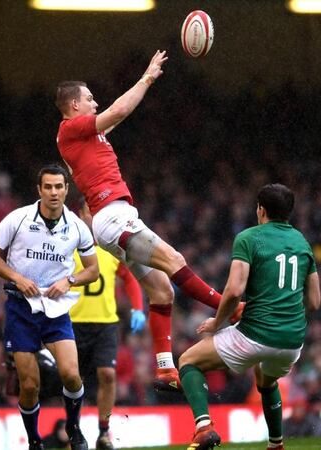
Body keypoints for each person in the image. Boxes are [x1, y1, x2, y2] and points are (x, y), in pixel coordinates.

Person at [55, 51, 241, 392]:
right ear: (73, 106)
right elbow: (118, 110)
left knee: (161, 289)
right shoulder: (70, 129)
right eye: (89, 99)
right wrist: (147, 77)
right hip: (112, 216)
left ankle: (165, 369)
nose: (95, 103)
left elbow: (116, 117)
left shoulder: (85, 136)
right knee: (176, 261)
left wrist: (144, 87)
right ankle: (232, 309)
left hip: (114, 218)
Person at [176, 184, 321, 450]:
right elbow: (314, 301)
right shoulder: (303, 242)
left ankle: (204, 427)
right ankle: (276, 444)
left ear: (260, 209)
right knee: (266, 379)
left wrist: (216, 324)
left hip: (256, 334)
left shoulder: (249, 238)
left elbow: (233, 291)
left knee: (188, 361)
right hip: (292, 342)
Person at [0, 164, 100, 450]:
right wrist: (17, 278)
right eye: (48, 187)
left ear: (66, 190)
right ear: (39, 190)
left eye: (59, 187)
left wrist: (70, 280)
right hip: (21, 309)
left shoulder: (77, 227)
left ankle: (73, 426)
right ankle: (34, 440)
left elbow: (93, 270)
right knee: (29, 385)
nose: (54, 192)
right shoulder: (18, 219)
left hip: (56, 309)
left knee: (71, 374)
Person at [69, 201, 145, 450]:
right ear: (81, 215)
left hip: (106, 324)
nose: (95, 216)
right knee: (72, 380)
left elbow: (130, 278)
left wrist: (137, 308)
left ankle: (103, 432)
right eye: (91, 212)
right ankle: (74, 431)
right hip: (73, 323)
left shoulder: (112, 248)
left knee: (107, 375)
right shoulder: (70, 246)